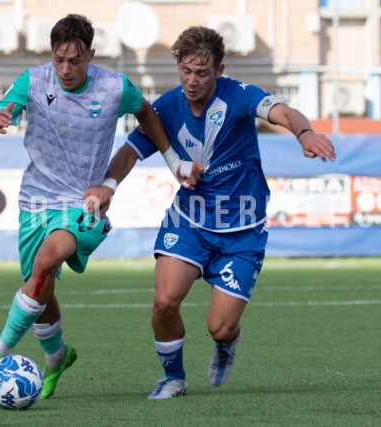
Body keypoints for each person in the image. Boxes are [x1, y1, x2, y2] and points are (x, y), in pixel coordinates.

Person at [99, 26, 337, 399]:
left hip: (243, 230)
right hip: (190, 222)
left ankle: (227, 345)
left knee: (220, 328)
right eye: (186, 70)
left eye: (202, 72)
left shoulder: (239, 96)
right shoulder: (165, 108)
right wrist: (108, 186)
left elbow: (283, 111)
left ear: (219, 70)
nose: (192, 80)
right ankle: (173, 378)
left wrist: (303, 133)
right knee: (164, 302)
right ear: (178, 64)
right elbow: (129, 151)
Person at [0, 14, 195, 400]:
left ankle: (0, 350)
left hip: (84, 203)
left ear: (91, 54)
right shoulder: (32, 81)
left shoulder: (114, 88)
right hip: (35, 201)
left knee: (45, 263)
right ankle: (58, 356)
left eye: (75, 60)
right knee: (38, 293)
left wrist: (173, 161)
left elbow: (147, 113)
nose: (66, 69)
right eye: (59, 59)